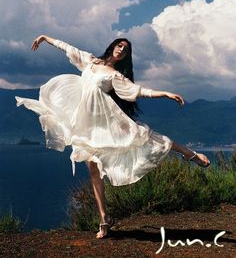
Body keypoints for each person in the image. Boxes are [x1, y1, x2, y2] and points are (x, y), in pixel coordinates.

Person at [16, 35, 210, 239]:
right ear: (113, 46)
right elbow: (68, 47)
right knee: (93, 170)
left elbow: (138, 90)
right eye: (120, 46)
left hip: (105, 121)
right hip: (85, 124)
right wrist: (45, 38)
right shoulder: (90, 60)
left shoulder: (115, 75)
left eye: (126, 50)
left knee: (146, 137)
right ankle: (104, 220)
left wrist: (165, 93)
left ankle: (190, 154)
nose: (121, 50)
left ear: (126, 56)